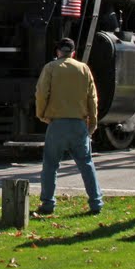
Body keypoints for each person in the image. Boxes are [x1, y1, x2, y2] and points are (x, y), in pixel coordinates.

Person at [34, 37, 104, 215]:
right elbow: (92, 98)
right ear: (73, 52)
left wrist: (42, 114)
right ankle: (96, 203)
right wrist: (92, 123)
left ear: (58, 52)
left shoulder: (50, 68)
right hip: (79, 124)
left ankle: (48, 203)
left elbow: (42, 93)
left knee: (50, 165)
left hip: (57, 123)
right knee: (86, 164)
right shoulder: (83, 69)